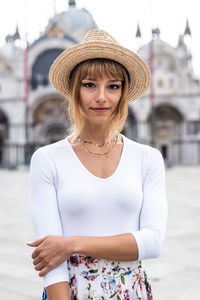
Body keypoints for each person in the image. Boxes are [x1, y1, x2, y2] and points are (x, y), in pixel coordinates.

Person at [28, 29, 167, 300]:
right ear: (75, 91)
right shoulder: (47, 159)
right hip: (70, 291)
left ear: (123, 93)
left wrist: (70, 244)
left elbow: (152, 242)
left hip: (131, 292)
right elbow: (51, 261)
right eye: (90, 84)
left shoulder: (148, 158)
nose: (101, 97)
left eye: (113, 86)